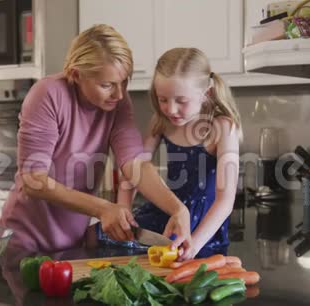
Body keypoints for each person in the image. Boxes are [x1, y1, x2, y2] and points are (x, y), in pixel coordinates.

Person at [0, 24, 192, 255]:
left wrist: (178, 210)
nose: (119, 94)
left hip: (71, 243)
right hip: (24, 241)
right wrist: (103, 208)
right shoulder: (48, 94)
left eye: (124, 82)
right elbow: (33, 179)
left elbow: (134, 163)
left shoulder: (118, 103)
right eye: (107, 85)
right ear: (76, 75)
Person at [97, 47, 242, 260]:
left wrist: (194, 245)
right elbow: (135, 168)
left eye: (181, 101)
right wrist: (123, 209)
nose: (171, 110)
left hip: (203, 227)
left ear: (206, 94)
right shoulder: (162, 122)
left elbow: (225, 201)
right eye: (163, 100)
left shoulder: (221, 127)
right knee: (100, 238)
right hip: (165, 215)